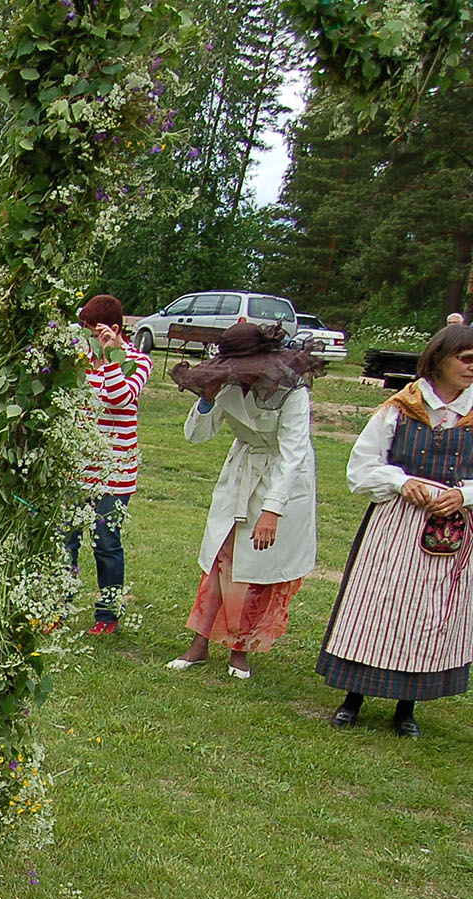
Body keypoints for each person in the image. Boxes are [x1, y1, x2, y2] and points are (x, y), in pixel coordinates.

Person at [317, 323, 473, 737]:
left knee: (429, 613)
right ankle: (353, 698)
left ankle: (407, 708)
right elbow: (360, 470)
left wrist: (464, 495)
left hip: (450, 533)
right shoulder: (400, 407)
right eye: (466, 358)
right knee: (376, 606)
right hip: (396, 525)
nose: (472, 368)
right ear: (439, 359)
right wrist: (401, 482)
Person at [163, 323, 322, 681]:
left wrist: (272, 509)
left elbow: (293, 453)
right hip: (240, 473)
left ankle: (240, 649)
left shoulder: (291, 389)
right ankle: (199, 644)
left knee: (256, 569)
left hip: (281, 477)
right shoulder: (228, 384)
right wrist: (207, 398)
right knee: (221, 559)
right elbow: (196, 436)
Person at [67, 293, 151, 634]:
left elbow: (119, 399)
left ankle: (107, 614)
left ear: (113, 329)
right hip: (77, 467)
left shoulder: (136, 361)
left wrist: (111, 359)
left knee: (106, 541)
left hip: (115, 472)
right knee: (65, 538)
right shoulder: (81, 360)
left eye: (92, 330)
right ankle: (58, 604)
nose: (87, 336)